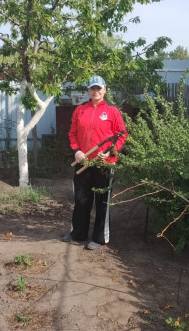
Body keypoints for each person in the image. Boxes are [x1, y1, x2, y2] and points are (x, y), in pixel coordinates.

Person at [61, 75, 127, 249]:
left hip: (104, 164)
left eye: (99, 88)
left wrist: (112, 152)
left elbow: (121, 135)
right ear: (88, 91)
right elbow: (72, 133)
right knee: (81, 199)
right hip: (83, 162)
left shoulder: (112, 111)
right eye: (92, 88)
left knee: (102, 202)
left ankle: (99, 238)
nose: (95, 91)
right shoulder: (80, 110)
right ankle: (78, 233)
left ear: (104, 90)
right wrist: (77, 151)